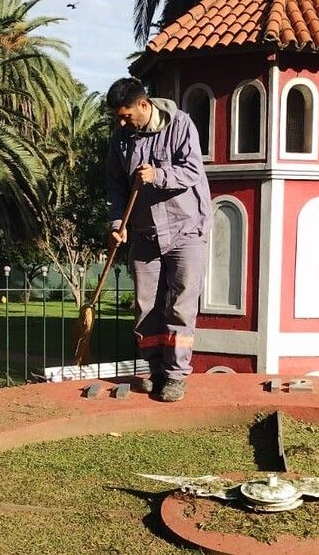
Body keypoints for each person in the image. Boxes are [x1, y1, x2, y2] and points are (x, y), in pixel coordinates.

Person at [105, 77, 211, 402]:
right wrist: (116, 222)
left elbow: (192, 170)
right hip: (143, 234)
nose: (122, 123)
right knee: (145, 306)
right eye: (117, 118)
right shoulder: (121, 139)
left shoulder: (181, 125)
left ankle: (176, 376)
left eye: (126, 115)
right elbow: (115, 187)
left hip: (186, 229)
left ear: (143, 104)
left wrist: (158, 175)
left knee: (180, 305)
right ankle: (155, 371)